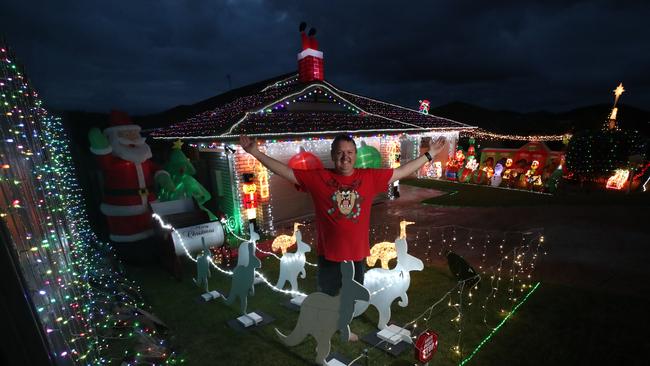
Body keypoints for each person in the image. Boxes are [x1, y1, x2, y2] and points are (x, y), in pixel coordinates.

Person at [240, 135, 443, 326]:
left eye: (350, 152)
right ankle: (326, 326)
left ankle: (344, 326)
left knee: (352, 296)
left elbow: (401, 171)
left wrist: (429, 154)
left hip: (356, 255)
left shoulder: (369, 177)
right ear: (333, 155)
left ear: (355, 155)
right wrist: (255, 153)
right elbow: (284, 171)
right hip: (329, 255)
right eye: (340, 153)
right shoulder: (319, 177)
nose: (345, 157)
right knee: (328, 295)